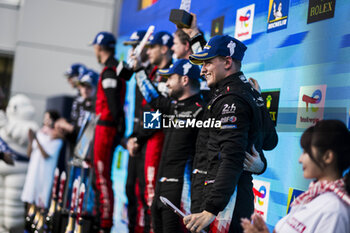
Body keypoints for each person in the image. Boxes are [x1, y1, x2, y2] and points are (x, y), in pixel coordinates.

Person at [183, 34, 277, 233]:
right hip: (227, 196)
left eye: (207, 62)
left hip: (226, 202)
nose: (202, 70)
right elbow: (269, 141)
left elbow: (232, 157)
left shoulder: (231, 99)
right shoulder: (244, 92)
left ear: (227, 62)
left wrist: (211, 209)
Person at [134, 58, 205, 232]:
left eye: (170, 78)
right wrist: (138, 71)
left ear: (185, 79)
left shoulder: (202, 111)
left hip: (181, 190)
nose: (167, 84)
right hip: (161, 188)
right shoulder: (173, 108)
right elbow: (153, 98)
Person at [241, 119, 350, 233]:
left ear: (327, 157)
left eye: (306, 152)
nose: (300, 159)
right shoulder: (312, 197)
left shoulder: (334, 211)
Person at [129, 31, 173, 221]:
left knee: (151, 193)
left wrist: (139, 137)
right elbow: (147, 110)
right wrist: (136, 137)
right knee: (139, 191)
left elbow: (160, 112)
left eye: (151, 47)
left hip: (159, 139)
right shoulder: (153, 72)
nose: (148, 52)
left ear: (164, 49)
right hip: (146, 139)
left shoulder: (171, 73)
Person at [90, 31, 132, 233]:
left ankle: (104, 223)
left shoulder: (109, 70)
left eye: (95, 48)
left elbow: (114, 103)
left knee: (101, 175)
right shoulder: (116, 68)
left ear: (99, 48)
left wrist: (118, 128)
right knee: (101, 175)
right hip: (107, 127)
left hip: (106, 128)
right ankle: (103, 220)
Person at [123, 29, 153, 233]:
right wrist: (131, 139)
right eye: (131, 47)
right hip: (136, 139)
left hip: (148, 141)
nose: (132, 51)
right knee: (129, 191)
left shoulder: (156, 73)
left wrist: (138, 138)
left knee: (144, 194)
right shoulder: (136, 71)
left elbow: (155, 110)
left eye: (136, 46)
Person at [21, 110, 63, 209]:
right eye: (45, 119)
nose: (46, 121)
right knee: (29, 198)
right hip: (33, 172)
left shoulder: (57, 138)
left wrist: (36, 139)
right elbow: (29, 154)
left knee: (40, 202)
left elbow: (46, 155)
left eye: (48, 119)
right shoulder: (40, 133)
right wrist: (31, 139)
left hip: (44, 174)